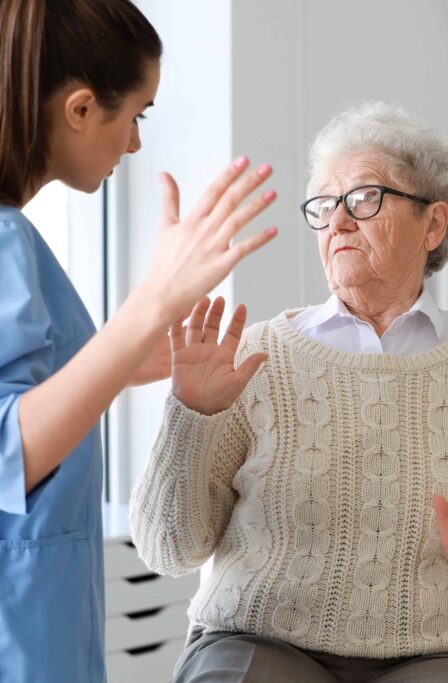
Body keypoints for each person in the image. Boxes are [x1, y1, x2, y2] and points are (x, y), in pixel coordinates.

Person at [130, 102, 448, 683]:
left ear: (433, 224)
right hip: (262, 637)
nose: (337, 221)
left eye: (364, 198)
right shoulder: (251, 355)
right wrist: (189, 415)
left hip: (441, 651)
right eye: (325, 204)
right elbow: (169, 552)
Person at [0, 1, 278, 680]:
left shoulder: (19, 241)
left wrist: (124, 358)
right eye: (137, 115)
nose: (134, 144)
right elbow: (8, 449)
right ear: (81, 109)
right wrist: (149, 304)